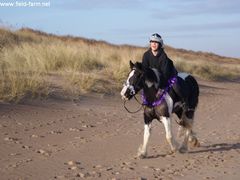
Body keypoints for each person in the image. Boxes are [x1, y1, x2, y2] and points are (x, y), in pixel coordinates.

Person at [142, 33, 187, 109]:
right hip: (155, 77)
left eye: (156, 42)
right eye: (152, 42)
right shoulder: (146, 55)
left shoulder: (163, 56)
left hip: (168, 75)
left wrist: (161, 87)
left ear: (160, 44)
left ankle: (183, 101)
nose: (154, 44)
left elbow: (165, 74)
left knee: (175, 86)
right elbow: (144, 70)